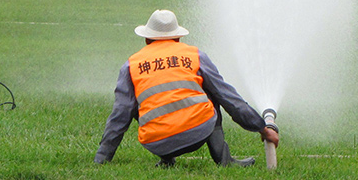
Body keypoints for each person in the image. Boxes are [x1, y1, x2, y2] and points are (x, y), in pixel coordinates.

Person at [95, 9, 279, 167]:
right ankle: (224, 160)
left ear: (147, 39)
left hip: (157, 142)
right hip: (198, 134)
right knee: (212, 94)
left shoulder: (131, 65)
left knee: (140, 101)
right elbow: (227, 96)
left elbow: (120, 114)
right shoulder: (194, 55)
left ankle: (167, 160)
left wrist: (102, 157)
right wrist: (263, 129)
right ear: (178, 37)